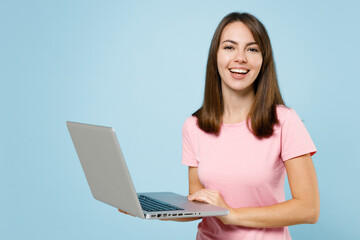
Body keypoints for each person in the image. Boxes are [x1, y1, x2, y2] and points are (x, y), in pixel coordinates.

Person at [180, 12, 320, 239]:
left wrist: (232, 214)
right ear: (215, 55)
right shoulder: (194, 125)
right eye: (229, 47)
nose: (240, 58)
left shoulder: (284, 121)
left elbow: (309, 209)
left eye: (252, 49)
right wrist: (149, 210)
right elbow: (199, 202)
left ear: (263, 60)